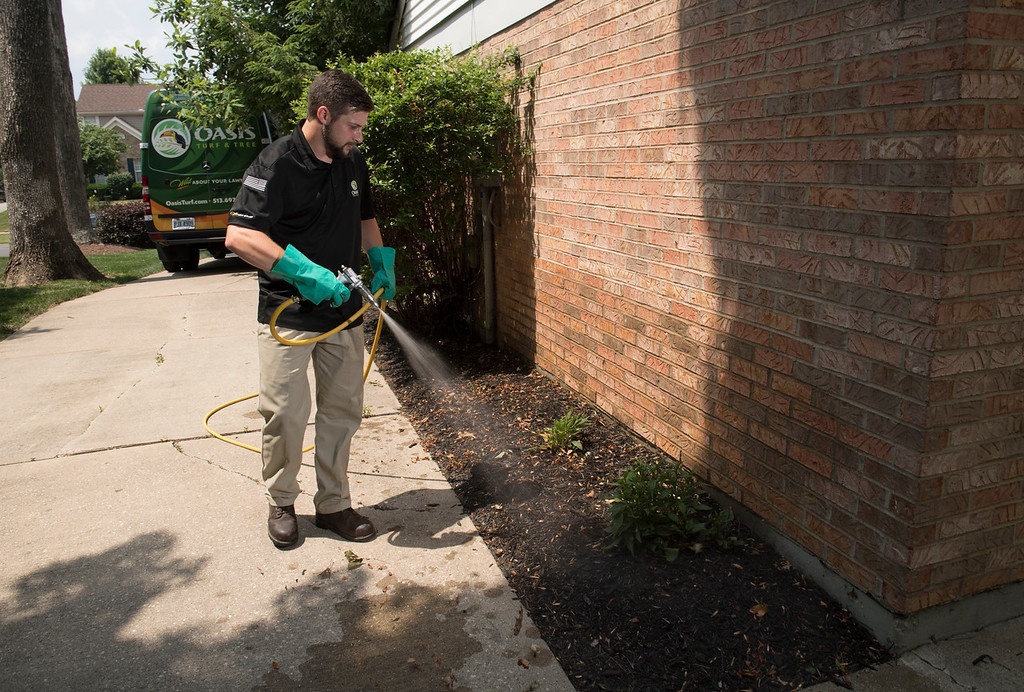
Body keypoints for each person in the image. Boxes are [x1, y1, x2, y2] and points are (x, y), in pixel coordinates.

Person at [225, 70, 397, 550]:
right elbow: (238, 236)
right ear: (323, 116)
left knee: (343, 410)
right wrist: (303, 272)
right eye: (353, 126)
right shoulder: (276, 163)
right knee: (285, 414)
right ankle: (282, 501)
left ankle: (333, 505)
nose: (359, 136)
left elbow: (365, 217)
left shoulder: (351, 160)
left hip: (342, 312)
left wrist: (381, 261)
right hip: (289, 313)